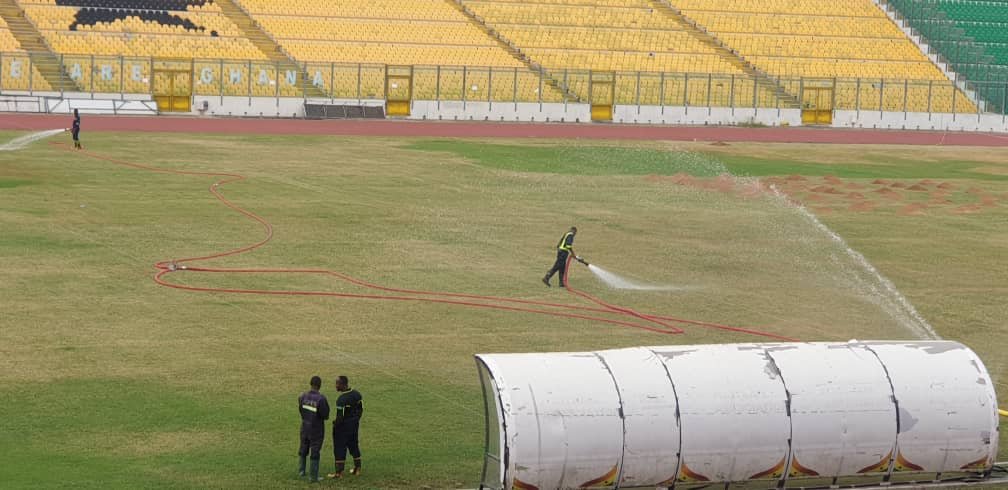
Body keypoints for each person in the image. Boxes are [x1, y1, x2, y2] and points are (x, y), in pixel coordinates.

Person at [327, 375, 363, 479]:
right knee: (354, 445)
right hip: (354, 426)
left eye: (337, 383)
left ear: (343, 384)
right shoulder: (357, 394)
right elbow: (361, 409)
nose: (336, 385)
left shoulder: (341, 400)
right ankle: (357, 469)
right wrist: (355, 420)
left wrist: (335, 425)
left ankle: (339, 473)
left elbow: (340, 417)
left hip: (342, 428)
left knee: (339, 448)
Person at [298, 375, 330, 482]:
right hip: (316, 429)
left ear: (310, 383)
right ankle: (313, 477)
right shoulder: (321, 399)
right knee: (315, 450)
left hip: (304, 427)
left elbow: (301, 411)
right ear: (320, 385)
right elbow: (325, 415)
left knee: (303, 447)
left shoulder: (302, 396)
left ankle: (301, 471)